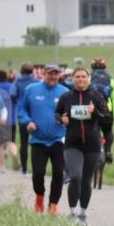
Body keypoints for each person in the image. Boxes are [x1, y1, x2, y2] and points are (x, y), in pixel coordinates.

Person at [57, 67, 113, 226]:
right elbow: (57, 113)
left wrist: (94, 112)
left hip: (92, 144)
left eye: (83, 76)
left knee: (86, 180)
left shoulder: (96, 96)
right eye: (77, 76)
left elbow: (107, 118)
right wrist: (61, 119)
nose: (80, 79)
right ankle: (72, 213)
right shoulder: (66, 97)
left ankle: (83, 214)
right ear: (72, 79)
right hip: (72, 144)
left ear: (88, 79)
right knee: (75, 177)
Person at [18, 64, 70, 214]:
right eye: (50, 74)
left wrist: (67, 119)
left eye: (55, 74)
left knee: (58, 174)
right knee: (38, 173)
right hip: (38, 140)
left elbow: (71, 112)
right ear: (43, 74)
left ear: (59, 75)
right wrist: (28, 121)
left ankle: (53, 204)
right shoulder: (31, 90)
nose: (53, 77)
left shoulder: (65, 92)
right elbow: (21, 109)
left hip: (58, 140)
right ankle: (39, 196)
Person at [11, 63, 38, 176]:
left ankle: (24, 169)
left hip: (23, 114)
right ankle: (36, 168)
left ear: (21, 70)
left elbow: (12, 94)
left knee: (23, 143)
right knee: (36, 142)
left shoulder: (17, 81)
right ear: (32, 71)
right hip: (35, 114)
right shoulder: (36, 82)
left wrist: (17, 102)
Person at [90, 58, 114, 162]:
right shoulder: (110, 78)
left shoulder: (89, 77)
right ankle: (108, 150)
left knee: (91, 130)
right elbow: (113, 98)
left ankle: (91, 151)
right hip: (107, 110)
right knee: (108, 131)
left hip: (92, 110)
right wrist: (113, 113)